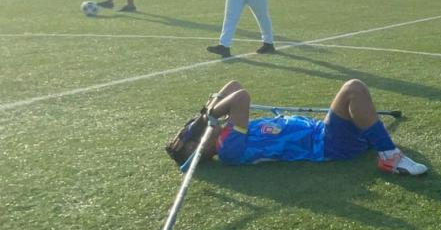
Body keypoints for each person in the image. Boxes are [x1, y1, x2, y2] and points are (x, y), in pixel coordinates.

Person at [164, 79, 426, 175]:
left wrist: (205, 113)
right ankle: (389, 157)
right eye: (193, 137)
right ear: (197, 149)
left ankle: (374, 141)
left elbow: (232, 85)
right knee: (353, 89)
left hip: (322, 134)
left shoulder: (223, 133)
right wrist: (213, 113)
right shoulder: (228, 148)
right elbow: (241, 97)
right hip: (326, 144)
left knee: (358, 104)